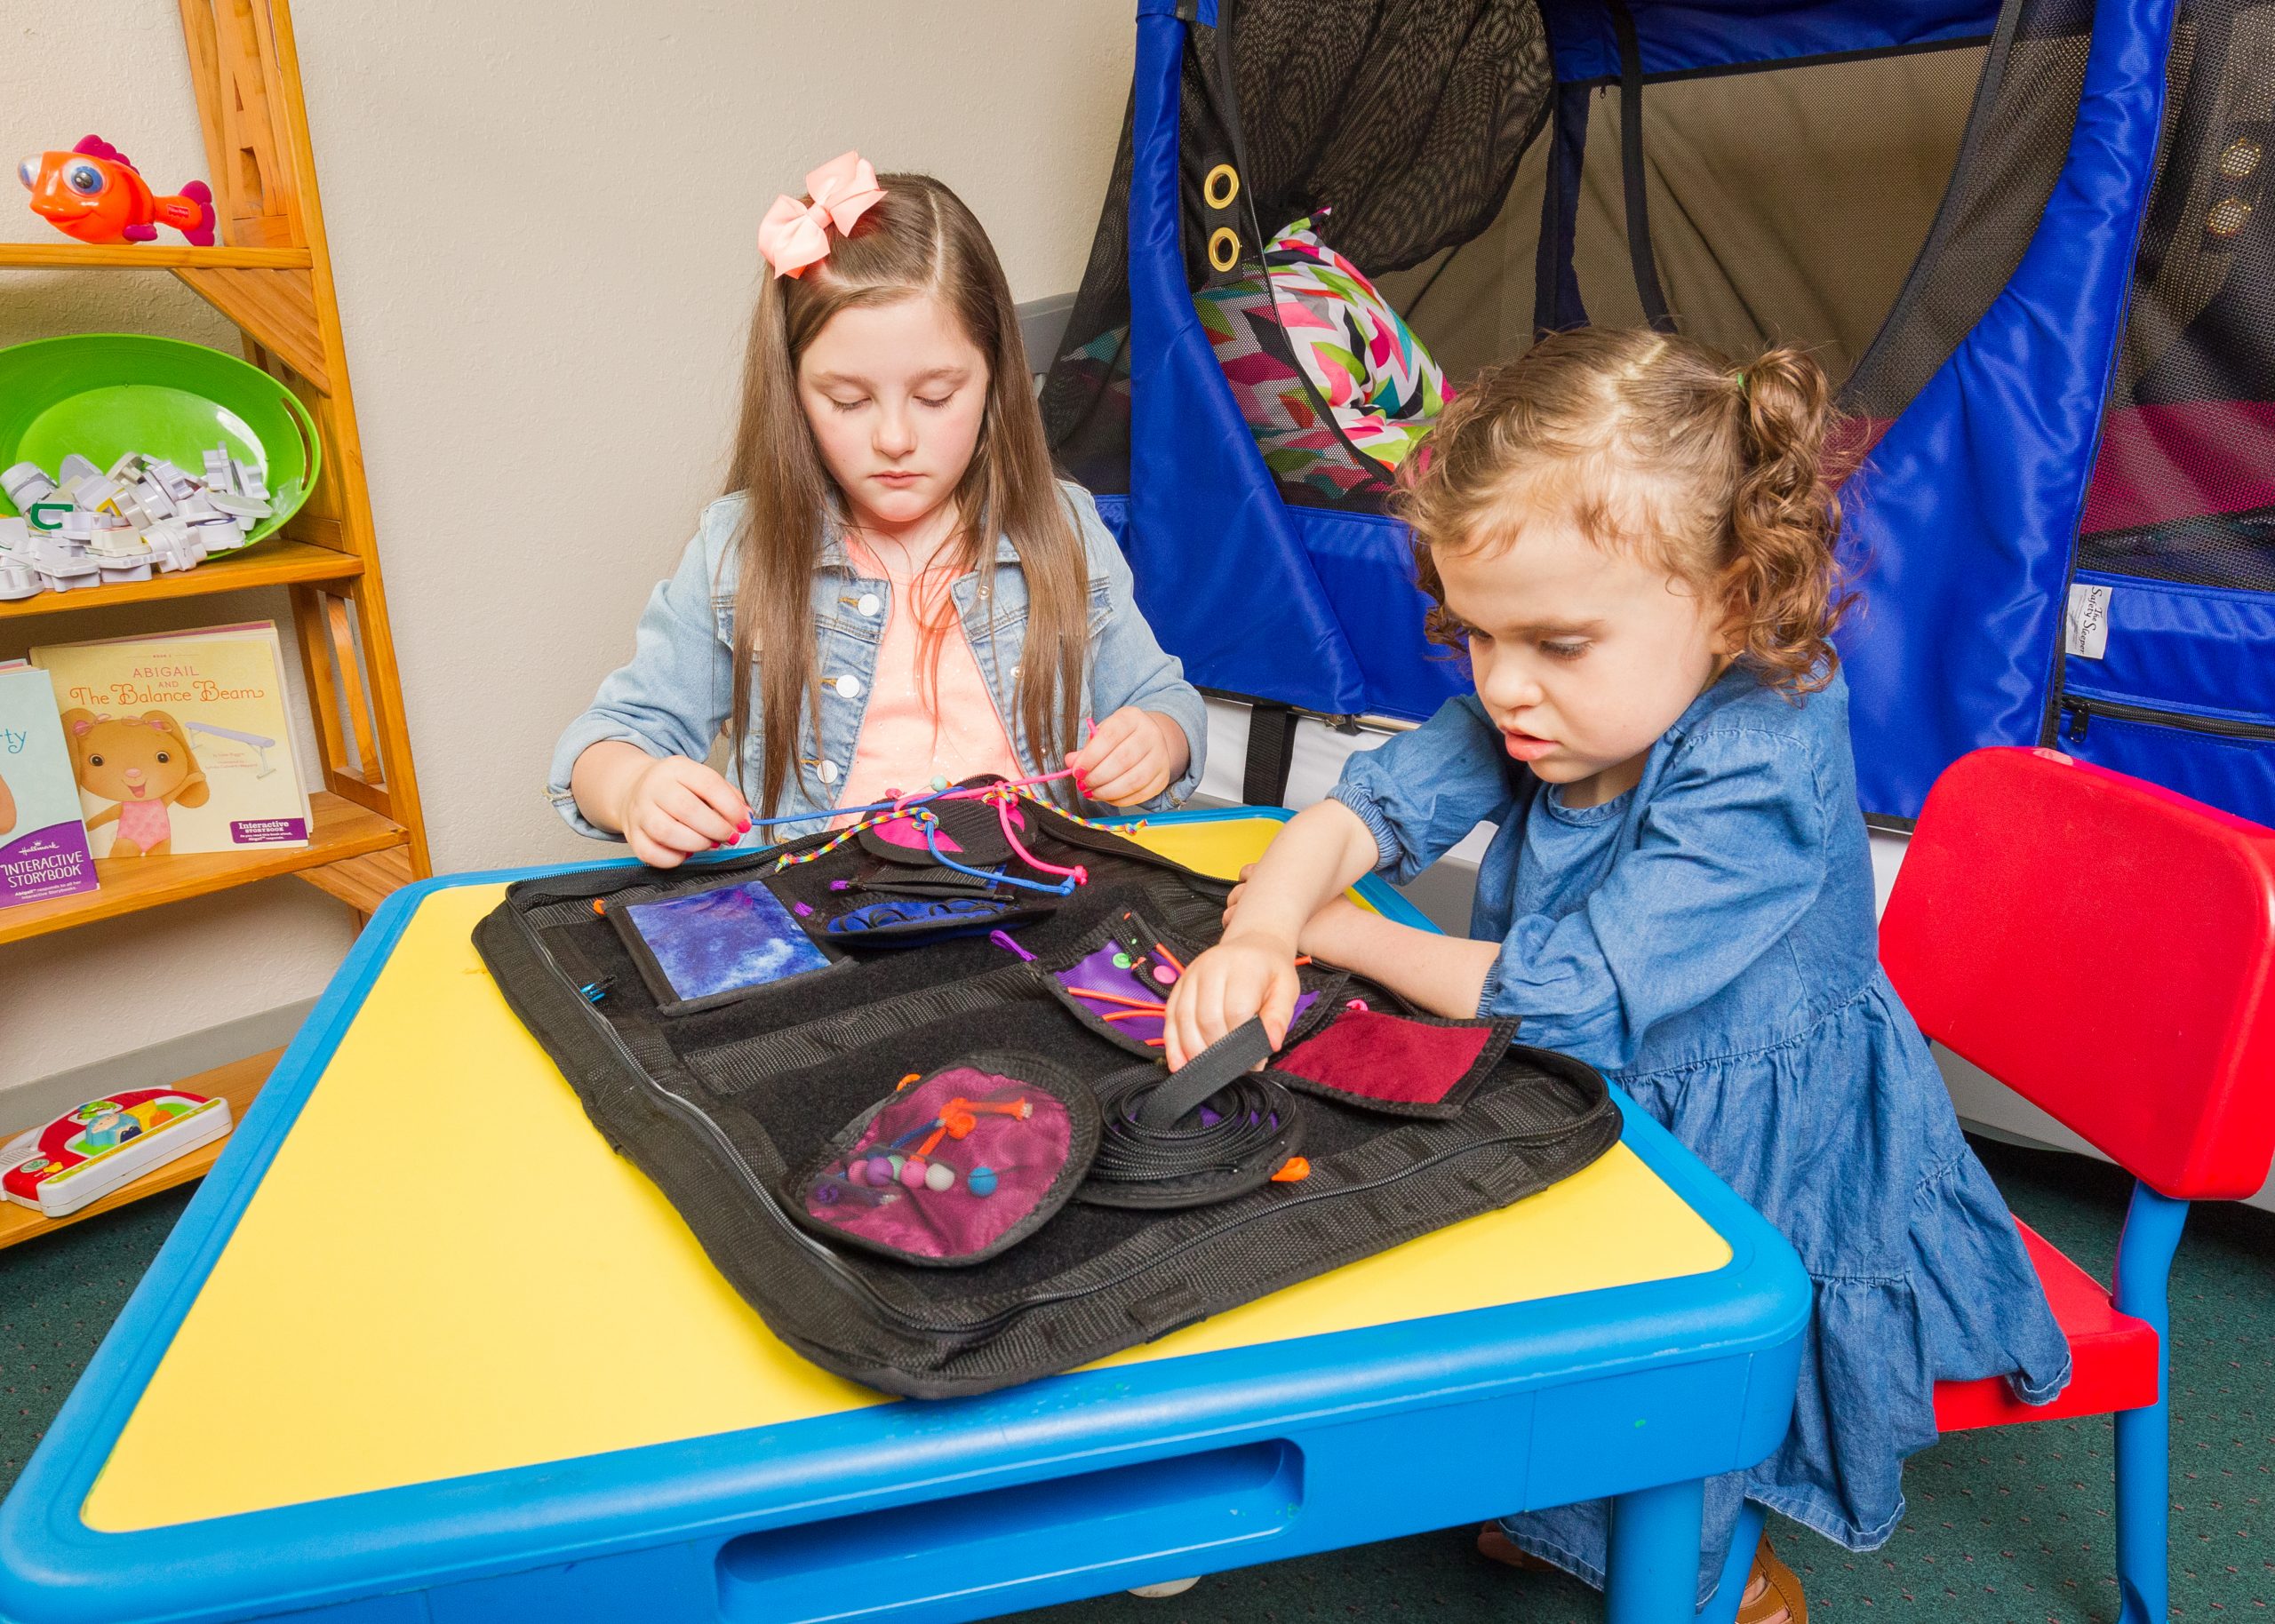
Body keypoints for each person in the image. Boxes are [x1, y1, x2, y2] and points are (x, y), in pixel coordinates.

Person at [1163, 326, 2070, 1621]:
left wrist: (1342, 936)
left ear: (1731, 598)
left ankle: (1722, 1583)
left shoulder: (1768, 752)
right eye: (1478, 639)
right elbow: (1368, 807)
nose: (1504, 688)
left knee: (1681, 1364)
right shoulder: (1550, 696)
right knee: (1549, 1299)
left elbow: (1575, 982)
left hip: (1757, 1128)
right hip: (1605, 1076)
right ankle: (1564, 1512)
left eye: (1554, 645)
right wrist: (1270, 918)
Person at [552, 154, 1202, 862]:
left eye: (934, 397)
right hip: (823, 928)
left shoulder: (1063, 530)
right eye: (849, 401)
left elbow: (1168, 702)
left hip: (1032, 911)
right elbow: (603, 743)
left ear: (994, 379)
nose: (895, 438)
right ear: (794, 391)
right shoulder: (738, 551)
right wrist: (635, 787)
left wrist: (1156, 744)